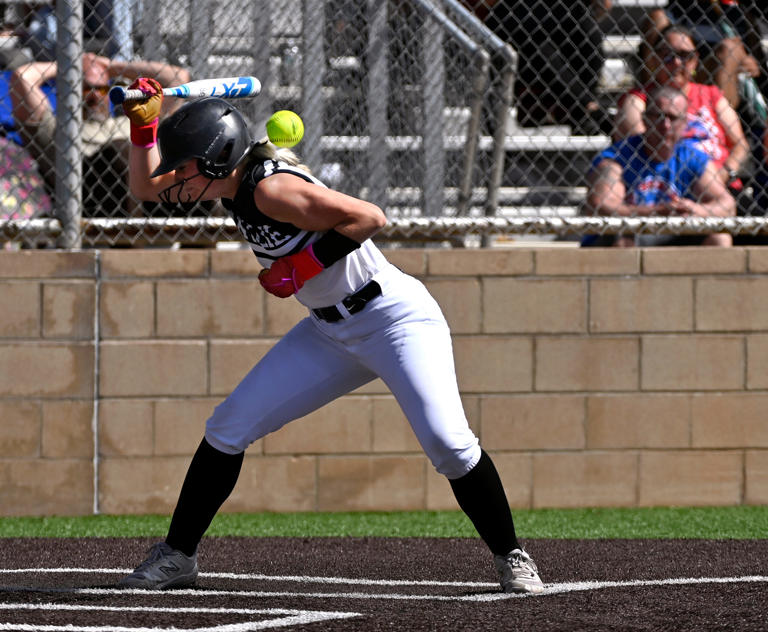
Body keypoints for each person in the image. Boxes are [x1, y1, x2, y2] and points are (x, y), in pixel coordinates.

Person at [115, 79, 545, 595]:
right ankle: (178, 556)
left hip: (392, 318)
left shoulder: (272, 187)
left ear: (219, 157)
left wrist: (299, 267)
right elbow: (144, 190)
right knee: (227, 427)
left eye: (185, 165)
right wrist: (143, 126)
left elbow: (368, 217)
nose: (178, 175)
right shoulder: (228, 182)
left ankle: (511, 555)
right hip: (328, 330)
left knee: (449, 444)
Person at [9, 52, 189, 217]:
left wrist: (112, 66)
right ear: (73, 92)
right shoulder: (59, 130)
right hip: (92, 192)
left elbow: (179, 79)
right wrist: (70, 65)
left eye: (101, 89)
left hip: (148, 195)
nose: (94, 96)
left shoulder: (134, 120)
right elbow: (22, 78)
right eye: (86, 88)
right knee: (117, 149)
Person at [584, 86, 736, 247]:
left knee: (720, 238)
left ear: (685, 122)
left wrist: (693, 210)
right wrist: (658, 212)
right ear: (644, 119)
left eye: (673, 118)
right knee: (623, 240)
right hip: (631, 233)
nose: (665, 125)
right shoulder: (618, 157)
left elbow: (728, 206)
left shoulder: (691, 156)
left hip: (673, 234)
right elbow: (600, 205)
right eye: (658, 117)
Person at [615, 25, 749, 194]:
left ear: (695, 60)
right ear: (655, 58)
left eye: (685, 55)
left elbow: (740, 145)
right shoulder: (638, 100)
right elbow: (641, 147)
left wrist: (725, 173)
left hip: (721, 185)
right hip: (665, 188)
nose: (677, 62)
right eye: (667, 55)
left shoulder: (710, 95)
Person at [463, 0, 613, 135]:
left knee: (589, 37)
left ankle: (583, 113)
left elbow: (603, 6)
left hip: (556, 16)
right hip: (515, 19)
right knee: (540, 49)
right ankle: (587, 108)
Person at [637, 0, 763, 111]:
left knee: (732, 50)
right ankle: (717, 123)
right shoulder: (666, 16)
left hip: (738, 90)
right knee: (728, 50)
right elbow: (652, 73)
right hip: (686, 82)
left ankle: (724, 120)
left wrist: (748, 63)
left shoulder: (739, 13)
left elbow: (759, 66)